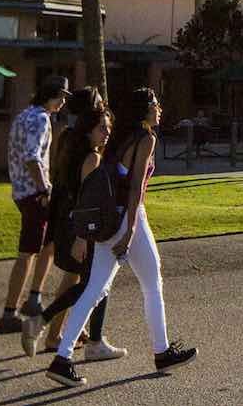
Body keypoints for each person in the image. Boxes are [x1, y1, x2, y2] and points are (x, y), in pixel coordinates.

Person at [46, 88, 196, 387]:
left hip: (107, 218)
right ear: (144, 110)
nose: (159, 108)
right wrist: (128, 233)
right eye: (155, 104)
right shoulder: (146, 138)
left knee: (94, 289)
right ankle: (161, 351)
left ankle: (62, 359)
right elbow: (136, 187)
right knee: (152, 283)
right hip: (129, 218)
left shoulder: (121, 138)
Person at [29, 98, 125, 360]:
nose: (107, 132)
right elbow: (87, 201)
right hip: (82, 230)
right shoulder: (92, 158)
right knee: (94, 284)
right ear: (88, 130)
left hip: (70, 226)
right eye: (102, 128)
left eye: (108, 127)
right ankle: (48, 325)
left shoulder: (76, 151)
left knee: (83, 282)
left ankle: (64, 333)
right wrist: (82, 238)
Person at [1, 77, 68, 336]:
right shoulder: (41, 118)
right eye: (59, 96)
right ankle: (10, 312)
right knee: (28, 251)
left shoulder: (23, 116)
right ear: (48, 94)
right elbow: (32, 156)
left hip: (20, 190)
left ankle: (34, 297)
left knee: (48, 243)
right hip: (34, 193)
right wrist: (44, 189)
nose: (62, 102)